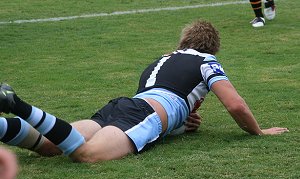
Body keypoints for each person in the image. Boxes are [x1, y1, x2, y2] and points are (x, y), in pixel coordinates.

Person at [0, 20, 288, 163]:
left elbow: (165, 100)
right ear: (211, 47)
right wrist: (259, 132)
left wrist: (180, 124)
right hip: (143, 113)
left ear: (183, 41)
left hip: (122, 106)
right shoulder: (206, 60)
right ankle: (16, 104)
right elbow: (235, 106)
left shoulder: (162, 59)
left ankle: (2, 125)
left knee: (50, 145)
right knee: (85, 155)